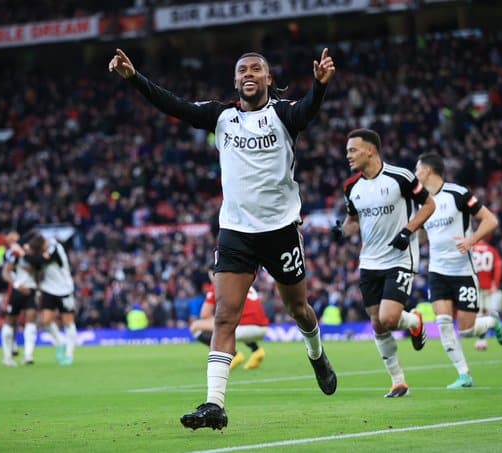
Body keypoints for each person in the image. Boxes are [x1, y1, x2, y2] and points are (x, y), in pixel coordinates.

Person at [110, 47, 337, 430]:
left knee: (299, 310)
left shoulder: (282, 114)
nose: (249, 73)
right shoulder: (222, 116)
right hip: (236, 231)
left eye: (257, 69)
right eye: (242, 69)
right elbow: (175, 105)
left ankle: (316, 354)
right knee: (224, 316)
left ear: (268, 79)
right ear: (236, 81)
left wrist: (319, 86)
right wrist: (135, 79)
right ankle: (215, 404)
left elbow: (307, 111)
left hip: (280, 230)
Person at [332, 128, 435, 398]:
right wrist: (342, 232)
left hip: (399, 257)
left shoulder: (400, 177)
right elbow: (353, 222)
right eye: (347, 151)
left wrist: (408, 230)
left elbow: (429, 205)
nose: (348, 155)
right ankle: (398, 380)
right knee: (377, 324)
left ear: (371, 150)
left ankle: (413, 321)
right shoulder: (351, 187)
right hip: (369, 261)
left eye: (353, 150)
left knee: (388, 318)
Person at [415, 152, 502, 389]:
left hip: (463, 270)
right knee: (444, 322)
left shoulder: (458, 194)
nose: (415, 175)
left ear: (427, 170)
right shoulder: (422, 202)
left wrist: (472, 240)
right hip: (437, 272)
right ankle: (464, 375)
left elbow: (491, 220)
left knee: (466, 330)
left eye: (417, 170)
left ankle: (492, 322)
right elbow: (424, 236)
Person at [190, 266, 270, 370]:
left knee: (196, 327)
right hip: (263, 329)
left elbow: (205, 314)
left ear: (212, 273)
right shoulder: (242, 281)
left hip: (243, 329)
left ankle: (233, 354)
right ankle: (256, 350)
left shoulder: (218, 283)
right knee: (235, 318)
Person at [28, 232, 77, 365]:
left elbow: (39, 261)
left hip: (64, 289)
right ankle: (60, 343)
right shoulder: (43, 251)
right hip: (49, 289)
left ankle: (69, 353)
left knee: (68, 321)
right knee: (45, 320)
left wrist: (29, 254)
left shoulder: (55, 247)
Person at [0, 231, 39, 366]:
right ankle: (7, 357)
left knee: (31, 319)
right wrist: (17, 284)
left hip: (31, 290)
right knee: (10, 321)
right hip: (17, 290)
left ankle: (28, 355)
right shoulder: (15, 253)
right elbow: (6, 272)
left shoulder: (36, 255)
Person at [471, 239, 502, 350]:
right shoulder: (492, 250)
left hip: (475, 286)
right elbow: (498, 267)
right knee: (488, 313)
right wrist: (496, 283)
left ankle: (482, 340)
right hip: (489, 286)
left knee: (479, 315)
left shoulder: (471, 248)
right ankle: (486, 337)